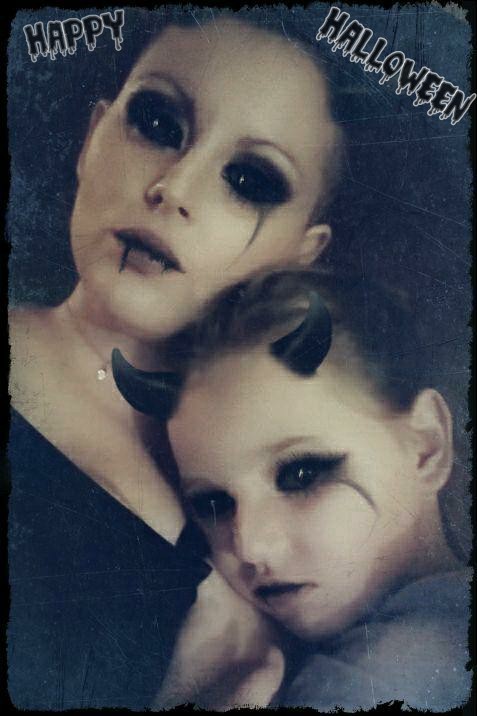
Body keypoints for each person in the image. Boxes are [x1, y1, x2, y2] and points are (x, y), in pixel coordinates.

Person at [8, 9, 341, 710]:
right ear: (92, 136)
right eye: (157, 124)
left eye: (249, 180)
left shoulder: (249, 551)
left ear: (299, 256)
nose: (175, 189)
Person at [113, 267, 471, 710]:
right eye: (214, 503)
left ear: (425, 444)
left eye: (302, 475)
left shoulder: (381, 676)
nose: (250, 547)